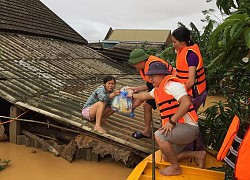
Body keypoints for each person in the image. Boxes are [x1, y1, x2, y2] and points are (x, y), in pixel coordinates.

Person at [131, 62, 206, 176]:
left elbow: (186, 103)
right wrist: (131, 95)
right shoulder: (157, 89)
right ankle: (198, 155)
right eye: (150, 77)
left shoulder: (173, 85)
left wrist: (171, 121)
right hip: (180, 130)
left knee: (159, 135)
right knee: (167, 156)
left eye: (153, 76)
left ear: (162, 75)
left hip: (189, 128)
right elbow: (143, 96)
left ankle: (176, 168)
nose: (151, 79)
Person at [128, 49, 175, 139]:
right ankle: (147, 131)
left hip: (168, 88)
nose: (133, 66)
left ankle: (168, 131)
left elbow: (154, 87)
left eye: (134, 64)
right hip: (158, 87)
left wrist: (140, 99)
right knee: (146, 106)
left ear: (141, 61)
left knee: (162, 107)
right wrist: (137, 89)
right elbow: (150, 84)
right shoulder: (146, 67)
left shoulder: (153, 65)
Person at [172, 26, 208, 111]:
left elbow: (191, 82)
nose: (173, 45)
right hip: (187, 90)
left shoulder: (191, 56)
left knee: (184, 116)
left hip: (195, 92)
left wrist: (179, 94)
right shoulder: (181, 52)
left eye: (174, 42)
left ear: (183, 42)